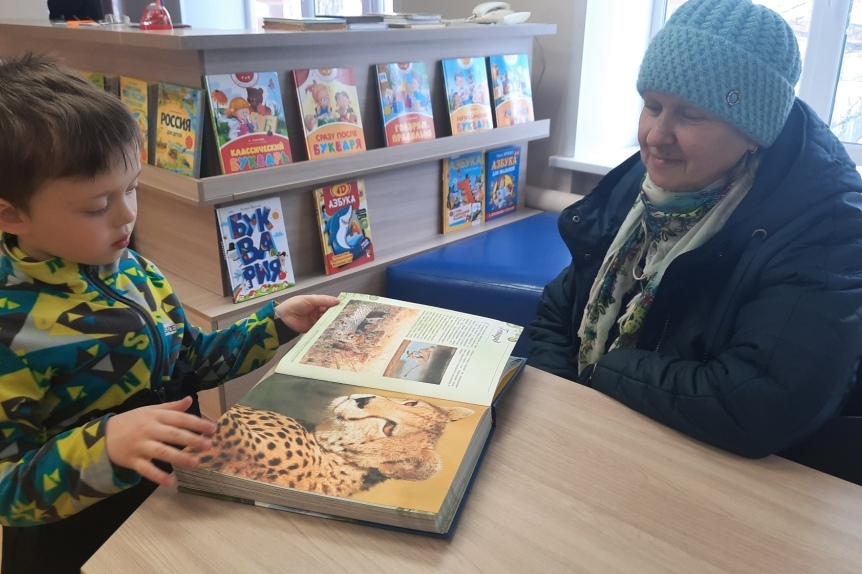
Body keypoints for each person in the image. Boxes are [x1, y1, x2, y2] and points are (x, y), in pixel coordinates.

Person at [0, 52, 340, 573]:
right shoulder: (10, 328)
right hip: (81, 541)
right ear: (10, 214)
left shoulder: (132, 268)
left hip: (173, 501)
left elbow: (191, 364)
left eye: (132, 187)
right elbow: (8, 487)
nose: (127, 214)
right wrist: (104, 446)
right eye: (97, 206)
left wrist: (274, 325)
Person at [529, 0, 862, 478]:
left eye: (690, 115)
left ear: (753, 132)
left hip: (743, 481)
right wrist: (560, 402)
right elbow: (560, 307)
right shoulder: (649, 185)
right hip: (611, 439)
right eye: (652, 106)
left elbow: (760, 404)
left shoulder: (827, 227)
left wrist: (603, 372)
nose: (655, 136)